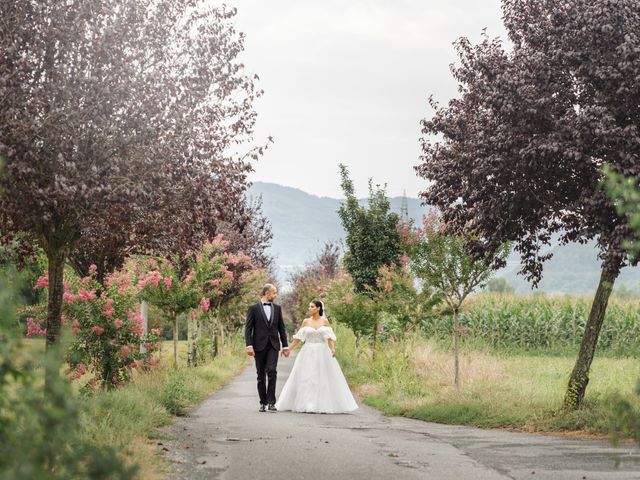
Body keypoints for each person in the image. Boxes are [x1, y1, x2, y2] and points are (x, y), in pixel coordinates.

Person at [275, 300, 358, 414]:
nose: (309, 308)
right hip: (307, 351)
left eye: (312, 306)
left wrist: (332, 349)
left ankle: (322, 403)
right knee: (307, 376)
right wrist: (288, 349)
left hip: (322, 351)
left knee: (322, 376)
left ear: (318, 308)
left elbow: (329, 337)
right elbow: (298, 338)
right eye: (309, 306)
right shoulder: (305, 322)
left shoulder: (325, 321)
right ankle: (307, 403)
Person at [245, 283, 289, 412]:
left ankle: (271, 402)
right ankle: (262, 402)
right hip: (258, 346)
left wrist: (285, 346)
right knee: (260, 374)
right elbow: (248, 329)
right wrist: (249, 345)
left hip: (273, 345)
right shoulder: (253, 308)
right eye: (274, 292)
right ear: (266, 293)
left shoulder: (277, 308)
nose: (276, 295)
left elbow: (282, 328)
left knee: (272, 370)